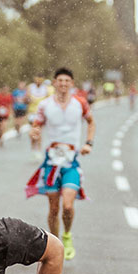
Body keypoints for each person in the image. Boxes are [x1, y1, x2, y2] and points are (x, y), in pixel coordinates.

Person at [26, 67, 95, 261]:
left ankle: (67, 235)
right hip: (51, 163)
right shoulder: (45, 105)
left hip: (71, 162)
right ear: (55, 83)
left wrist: (88, 143)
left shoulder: (80, 103)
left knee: (67, 205)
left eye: (67, 81)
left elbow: (91, 122)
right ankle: (55, 242)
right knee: (54, 208)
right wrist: (34, 132)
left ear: (71, 83)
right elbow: (36, 125)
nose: (63, 84)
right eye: (60, 80)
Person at [27, 76, 49, 153]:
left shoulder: (45, 88)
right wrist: (29, 99)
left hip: (40, 114)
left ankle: (38, 150)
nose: (38, 81)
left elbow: (48, 100)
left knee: (39, 133)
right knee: (32, 133)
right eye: (37, 79)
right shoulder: (30, 87)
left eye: (40, 79)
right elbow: (27, 98)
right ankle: (33, 148)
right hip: (32, 113)